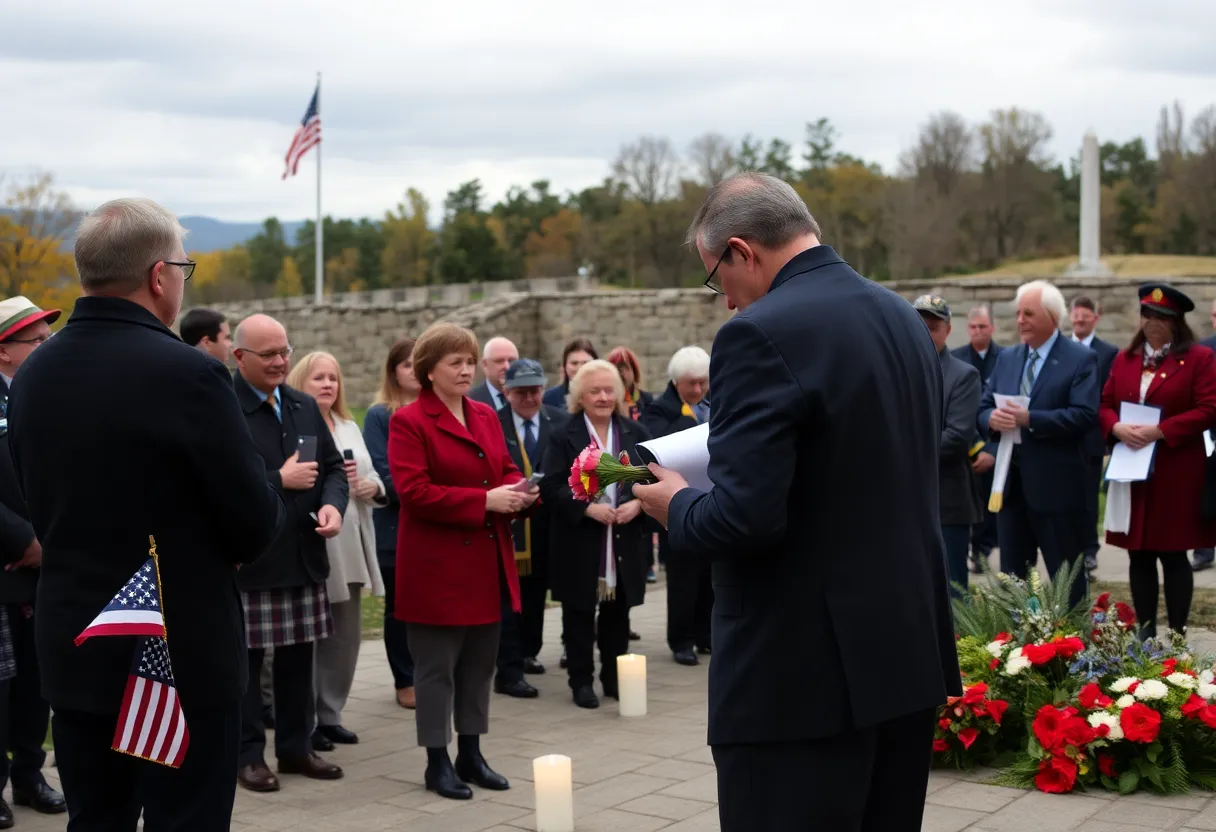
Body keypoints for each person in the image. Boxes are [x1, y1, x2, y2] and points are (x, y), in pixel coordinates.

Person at [630, 173, 958, 832]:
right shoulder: (899, 316)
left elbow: (744, 517)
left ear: (743, 251)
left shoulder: (760, 333)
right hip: (903, 653)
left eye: (715, 275)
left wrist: (677, 503)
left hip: (801, 677)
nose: (724, 299)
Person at [6, 197, 284, 830]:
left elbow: (36, 497)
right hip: (180, 653)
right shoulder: (191, 375)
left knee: (95, 819)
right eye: (184, 267)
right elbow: (253, 523)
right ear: (160, 276)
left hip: (78, 647)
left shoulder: (32, 376)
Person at [388, 322, 536, 800]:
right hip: (436, 569)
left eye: (470, 361)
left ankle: (471, 754)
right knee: (435, 671)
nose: (466, 369)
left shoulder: (485, 416)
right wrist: (485, 501)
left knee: (478, 666)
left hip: (486, 562)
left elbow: (506, 468)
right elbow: (413, 493)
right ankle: (437, 762)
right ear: (428, 370)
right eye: (455, 362)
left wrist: (519, 492)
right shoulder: (409, 421)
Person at [231, 314, 348, 792]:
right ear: (239, 358)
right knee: (247, 667)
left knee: (301, 660)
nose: (281, 362)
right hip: (253, 561)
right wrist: (278, 480)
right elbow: (221, 483)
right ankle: (248, 756)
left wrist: (331, 506)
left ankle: (297, 748)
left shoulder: (302, 404)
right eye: (269, 354)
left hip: (304, 555)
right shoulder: (224, 409)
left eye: (285, 351)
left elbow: (335, 469)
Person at [1101, 284, 1216, 637]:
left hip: (1176, 470)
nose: (1153, 323)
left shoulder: (1199, 359)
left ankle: (1178, 632)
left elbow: (1209, 408)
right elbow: (1104, 404)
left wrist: (1162, 430)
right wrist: (1116, 426)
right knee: (1139, 553)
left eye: (1161, 317)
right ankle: (1146, 633)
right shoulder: (1126, 359)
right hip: (1133, 472)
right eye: (1147, 316)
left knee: (1173, 553)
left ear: (1176, 322)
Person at [977, 280, 1099, 609]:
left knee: (1066, 579)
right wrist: (990, 419)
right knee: (1013, 580)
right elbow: (983, 405)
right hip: (1010, 488)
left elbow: (1085, 415)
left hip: (1057, 489)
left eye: (1028, 313)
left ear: (1052, 316)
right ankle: (1016, 649)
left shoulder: (1080, 359)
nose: (1020, 320)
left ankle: (1076, 651)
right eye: (1018, 313)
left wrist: (1032, 419)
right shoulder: (1008, 358)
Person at [286, 352, 386, 749]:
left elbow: (374, 474)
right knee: (310, 634)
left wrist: (369, 487)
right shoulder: (292, 425)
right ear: (300, 383)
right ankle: (304, 717)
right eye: (318, 378)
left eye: (333, 378)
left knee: (346, 634)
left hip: (354, 536)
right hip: (315, 538)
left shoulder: (348, 425)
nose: (328, 384)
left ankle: (331, 713)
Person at [540, 360, 652, 710]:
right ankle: (581, 680)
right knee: (579, 614)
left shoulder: (636, 433)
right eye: (595, 391)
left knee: (618, 614)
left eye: (609, 390)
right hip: (581, 541)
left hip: (622, 538)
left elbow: (652, 478)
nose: (603, 397)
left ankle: (614, 678)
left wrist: (636, 504)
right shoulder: (564, 435)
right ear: (580, 397)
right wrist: (587, 508)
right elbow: (551, 486)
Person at [0, 296, 65, 826]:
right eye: (36, 342)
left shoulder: (44, 395)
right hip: (8, 564)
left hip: (46, 565)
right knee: (2, 682)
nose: (48, 349)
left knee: (36, 682)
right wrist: (23, 537)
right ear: (4, 350)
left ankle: (30, 775)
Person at [494, 359, 568, 697]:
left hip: (550, 522)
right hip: (509, 523)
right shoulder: (492, 425)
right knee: (513, 596)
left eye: (535, 390)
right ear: (506, 392)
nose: (529, 398)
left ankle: (530, 651)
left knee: (539, 591)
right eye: (521, 392)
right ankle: (510, 657)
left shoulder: (560, 421)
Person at [641, 346, 714, 666]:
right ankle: (681, 639)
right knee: (683, 579)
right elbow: (658, 450)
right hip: (676, 504)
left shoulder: (714, 405)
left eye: (703, 383)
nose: (698, 390)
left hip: (711, 501)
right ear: (675, 383)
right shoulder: (659, 411)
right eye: (690, 384)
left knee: (710, 576)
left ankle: (707, 634)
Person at [914, 295, 983, 597]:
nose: (926, 331)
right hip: (907, 500)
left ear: (948, 329)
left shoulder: (963, 375)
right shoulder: (900, 370)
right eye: (920, 324)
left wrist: (900, 446)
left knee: (952, 591)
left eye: (934, 326)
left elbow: (957, 438)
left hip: (947, 501)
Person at [363, 338, 419, 709]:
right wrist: (425, 494)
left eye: (419, 363)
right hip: (398, 527)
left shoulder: (437, 410)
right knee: (400, 608)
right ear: (393, 370)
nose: (414, 370)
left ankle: (432, 673)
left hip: (435, 527)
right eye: (406, 365)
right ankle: (405, 680)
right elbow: (382, 471)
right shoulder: (381, 414)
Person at [951, 305, 1002, 574]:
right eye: (973, 327)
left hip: (997, 444)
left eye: (983, 326)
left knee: (993, 503)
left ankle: (985, 547)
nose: (978, 331)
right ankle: (975, 550)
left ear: (992, 328)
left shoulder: (1004, 359)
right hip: (964, 443)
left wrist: (991, 449)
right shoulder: (955, 359)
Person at [1071, 296, 1120, 573]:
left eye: (1084, 316)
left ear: (1095, 318)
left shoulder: (1108, 352)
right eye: (1075, 316)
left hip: (1091, 438)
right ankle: (1072, 550)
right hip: (1064, 436)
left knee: (1089, 499)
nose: (1079, 320)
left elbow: (1107, 396)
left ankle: (1090, 550)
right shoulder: (1062, 349)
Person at [542, 338, 597, 408]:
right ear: (565, 367)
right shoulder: (550, 397)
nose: (580, 368)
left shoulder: (606, 396)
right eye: (574, 363)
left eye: (585, 363)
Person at [469, 336, 518, 411]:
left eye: (511, 361)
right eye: (499, 361)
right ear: (485, 364)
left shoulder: (532, 398)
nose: (507, 367)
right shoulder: (469, 401)